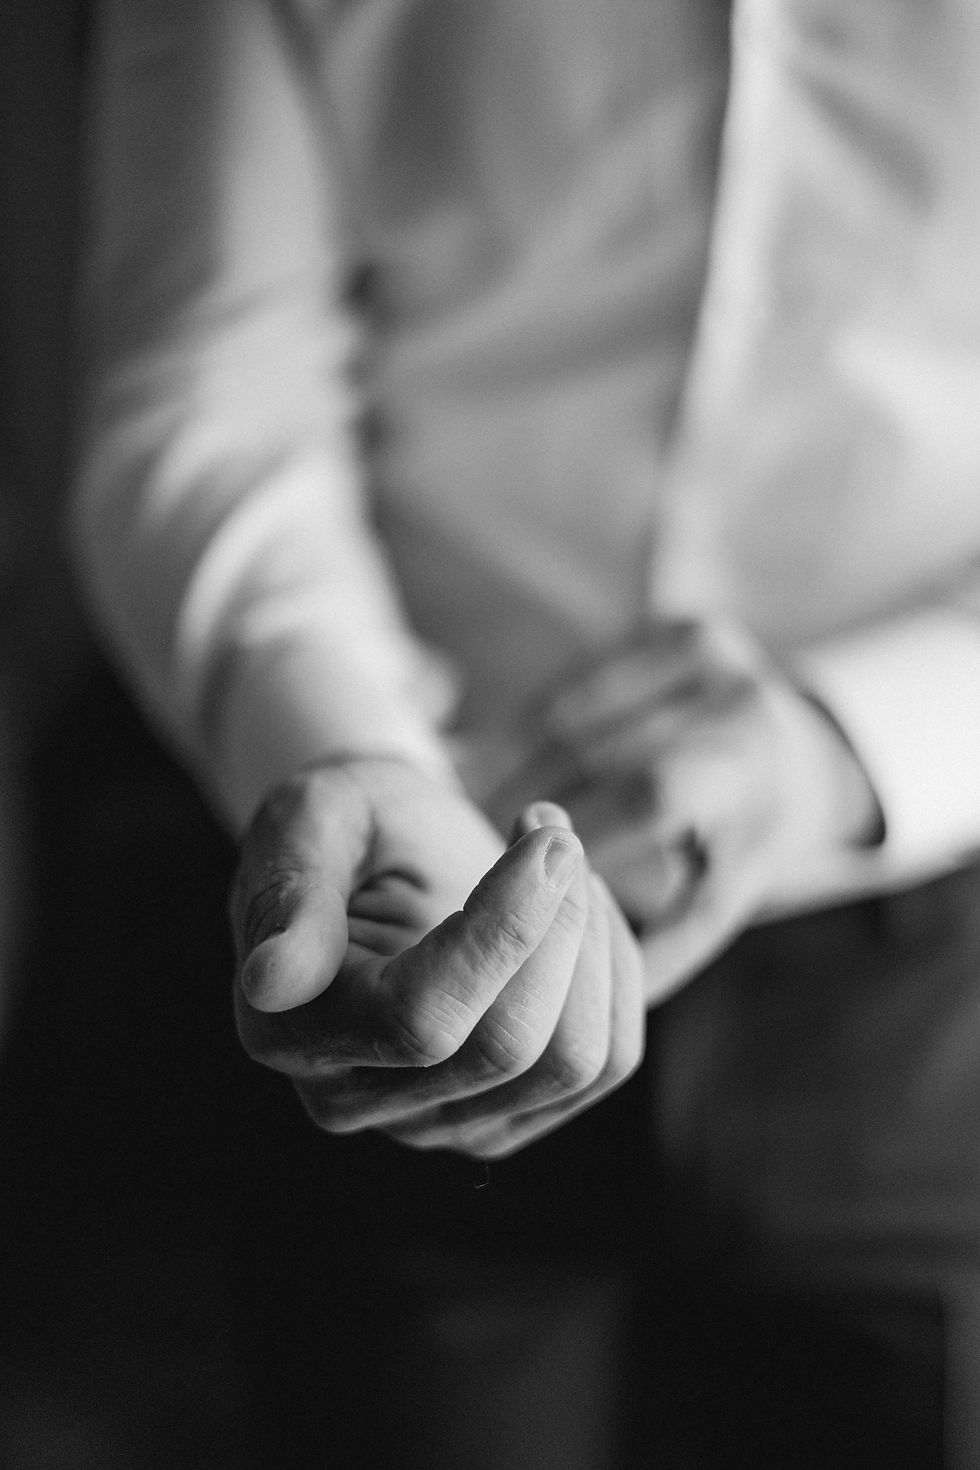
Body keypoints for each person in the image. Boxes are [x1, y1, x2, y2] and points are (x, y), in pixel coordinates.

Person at [72, 0, 980, 1464]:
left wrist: (839, 746)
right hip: (401, 912)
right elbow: (207, 394)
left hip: (933, 967)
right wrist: (360, 759)